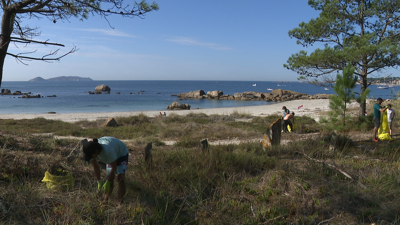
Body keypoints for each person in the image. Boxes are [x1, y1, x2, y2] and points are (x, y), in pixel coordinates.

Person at [83, 137, 129, 205]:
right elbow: (96, 167)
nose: (91, 158)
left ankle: (120, 203)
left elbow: (114, 167)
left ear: (96, 151)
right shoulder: (92, 152)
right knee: (109, 177)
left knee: (120, 177)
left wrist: (108, 182)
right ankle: (106, 200)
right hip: (111, 155)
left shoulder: (108, 151)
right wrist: (98, 181)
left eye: (91, 156)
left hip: (121, 154)